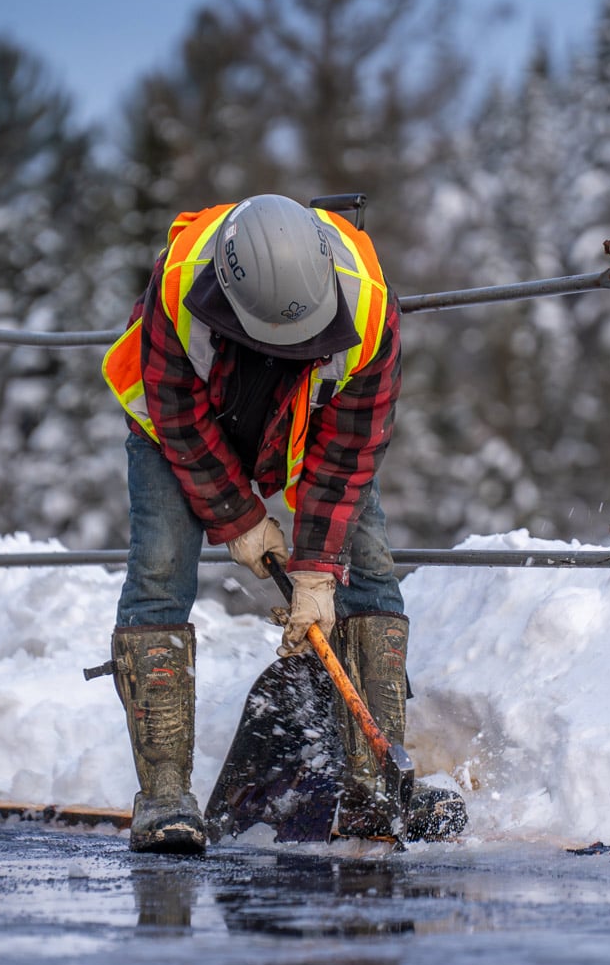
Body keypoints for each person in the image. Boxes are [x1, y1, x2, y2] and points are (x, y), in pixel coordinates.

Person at [102, 193, 463, 854]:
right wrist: (239, 517)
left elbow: (349, 451)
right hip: (177, 432)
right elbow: (177, 413)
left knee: (369, 573)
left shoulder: (369, 307)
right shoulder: (178, 283)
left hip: (304, 430)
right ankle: (164, 800)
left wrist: (317, 572)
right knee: (159, 572)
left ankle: (375, 791)